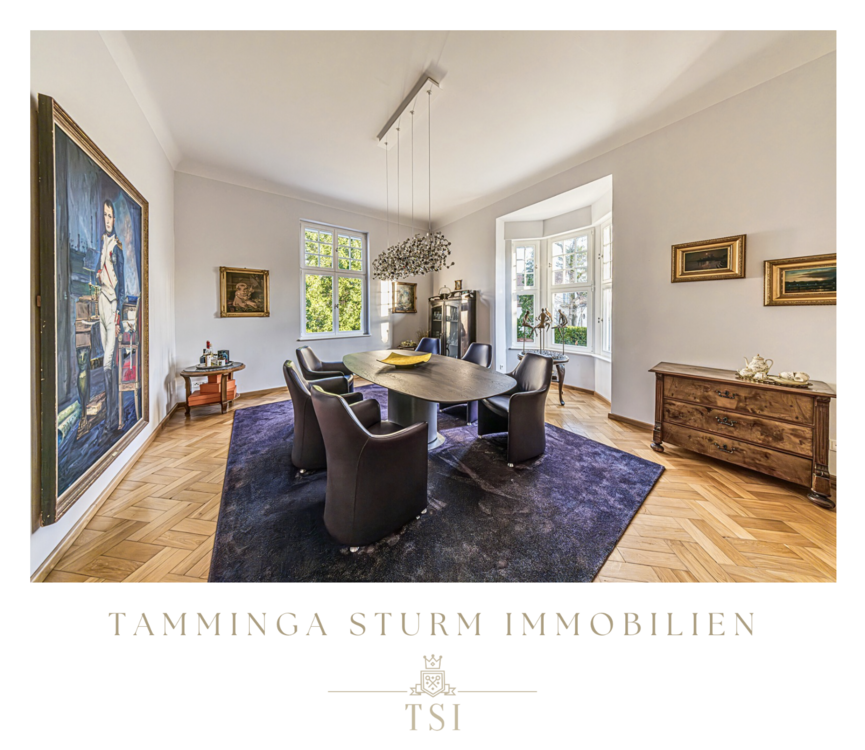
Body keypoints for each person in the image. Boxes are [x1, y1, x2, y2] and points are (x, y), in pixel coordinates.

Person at [96, 199, 125, 431]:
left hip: (113, 303)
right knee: (106, 362)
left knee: (108, 360)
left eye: (110, 215)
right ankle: (110, 414)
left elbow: (121, 286)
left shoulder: (117, 246)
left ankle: (111, 419)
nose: (107, 219)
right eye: (104, 215)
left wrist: (118, 318)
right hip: (101, 302)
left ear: (114, 219)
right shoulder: (102, 243)